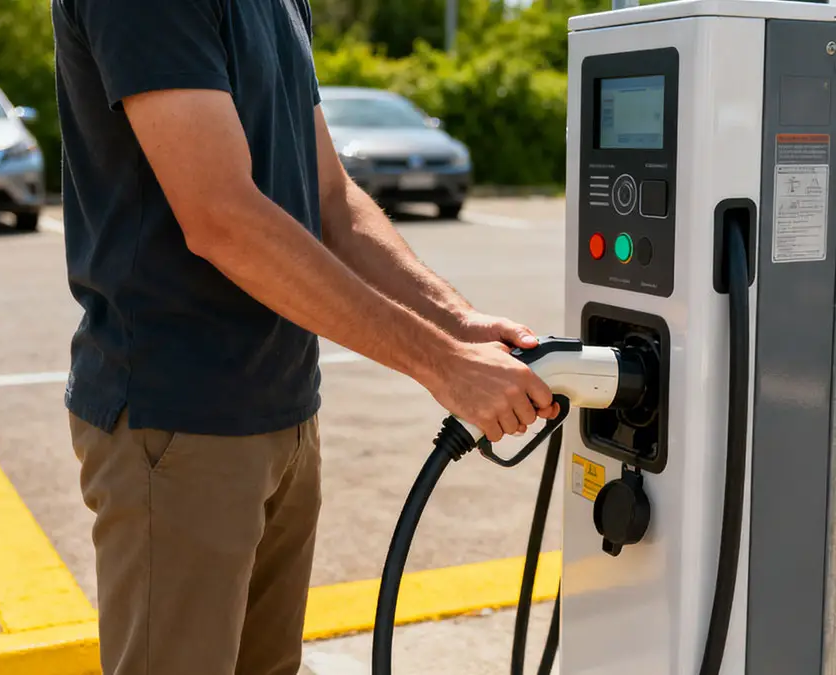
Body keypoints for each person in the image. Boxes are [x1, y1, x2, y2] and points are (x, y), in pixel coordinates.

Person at [50, 0, 560, 673]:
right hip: (177, 421)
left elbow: (330, 196)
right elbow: (221, 215)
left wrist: (456, 322)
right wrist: (443, 364)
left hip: (283, 412)